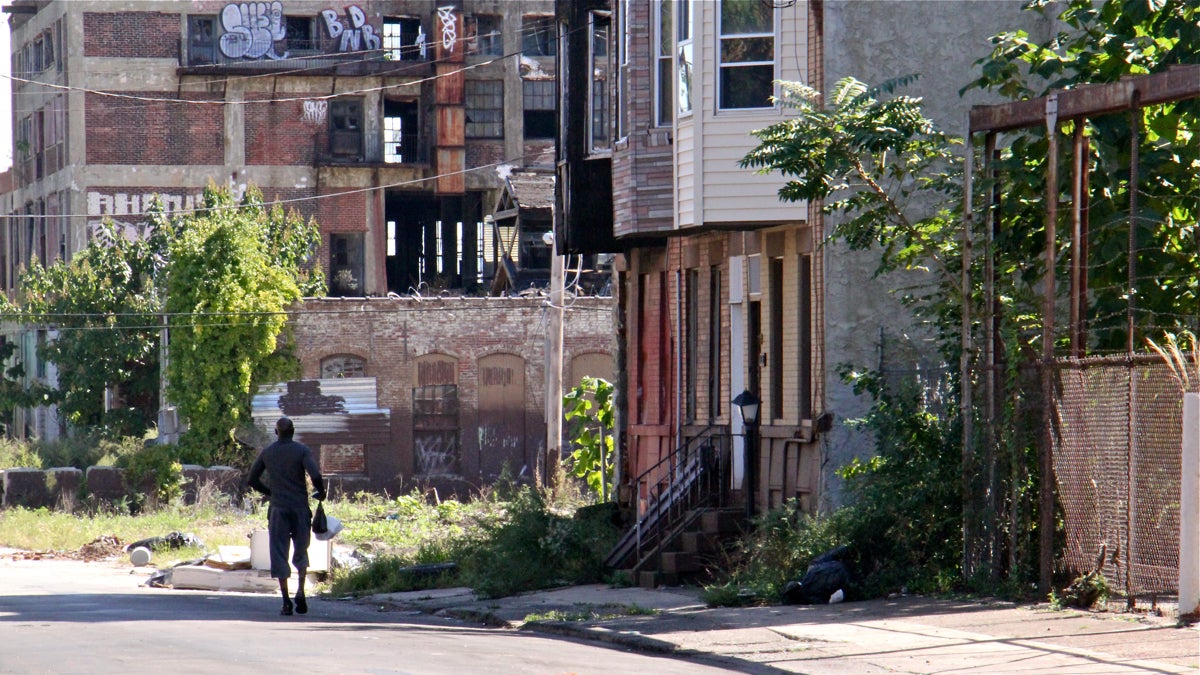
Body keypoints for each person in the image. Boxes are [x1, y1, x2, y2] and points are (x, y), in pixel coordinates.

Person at [247, 417, 325, 616]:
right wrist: (321, 492)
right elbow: (315, 475)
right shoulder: (302, 451)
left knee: (279, 552)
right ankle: (300, 590)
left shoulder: (268, 452)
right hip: (299, 508)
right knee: (301, 550)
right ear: (293, 431)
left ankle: (285, 602)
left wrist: (270, 492)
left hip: (278, 510)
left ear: (276, 433)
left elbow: (252, 480)